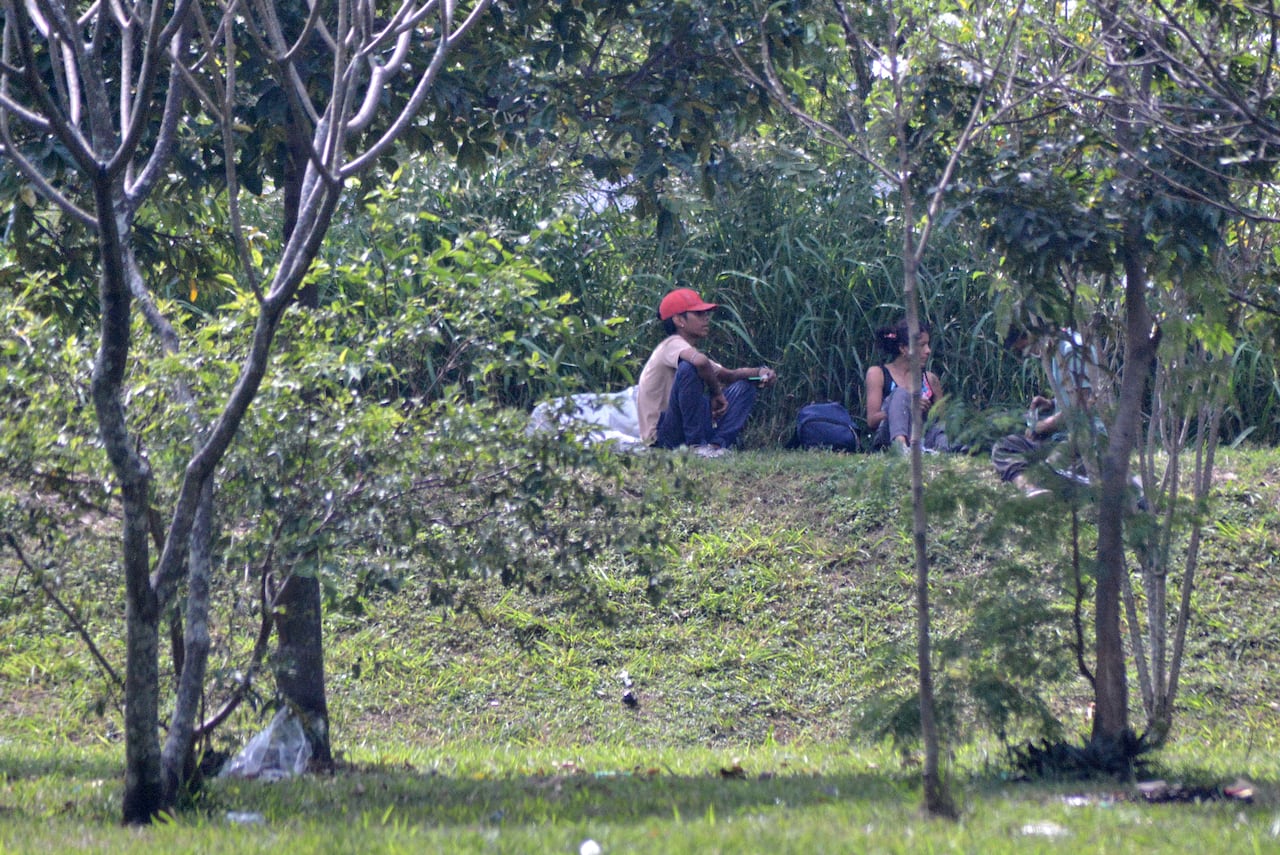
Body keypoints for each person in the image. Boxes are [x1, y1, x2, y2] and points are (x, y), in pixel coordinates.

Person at [636, 287, 777, 457]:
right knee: (689, 368)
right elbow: (701, 362)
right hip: (663, 436)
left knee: (745, 387)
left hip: (683, 426)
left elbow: (729, 375)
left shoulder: (687, 351)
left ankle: (716, 446)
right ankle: (696, 445)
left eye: (705, 313)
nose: (706, 318)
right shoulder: (671, 345)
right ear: (679, 320)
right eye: (699, 314)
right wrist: (716, 393)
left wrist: (760, 372)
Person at [991, 326, 1101, 498]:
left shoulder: (1073, 351)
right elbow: (1073, 395)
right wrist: (1052, 403)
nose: (1028, 354)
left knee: (1048, 471)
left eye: (1024, 347)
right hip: (1060, 436)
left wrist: (1045, 425)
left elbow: (1085, 405)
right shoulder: (1057, 351)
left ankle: (1054, 485)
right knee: (1004, 447)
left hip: (1084, 437)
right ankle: (1029, 489)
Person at [864, 319, 946, 454]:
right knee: (901, 394)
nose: (928, 351)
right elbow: (872, 421)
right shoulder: (878, 374)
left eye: (928, 344)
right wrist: (908, 406)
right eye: (922, 345)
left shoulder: (930, 380)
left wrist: (927, 411)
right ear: (903, 348)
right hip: (889, 438)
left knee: (942, 430)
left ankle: (950, 450)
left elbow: (942, 421)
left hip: (922, 438)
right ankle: (901, 446)